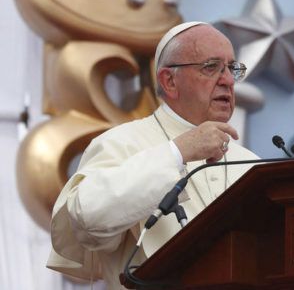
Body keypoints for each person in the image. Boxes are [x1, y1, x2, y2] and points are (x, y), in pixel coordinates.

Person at [47, 22, 259, 289]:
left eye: (232, 68)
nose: (227, 80)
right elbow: (89, 219)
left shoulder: (250, 162)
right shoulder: (121, 142)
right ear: (169, 81)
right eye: (211, 67)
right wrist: (179, 152)